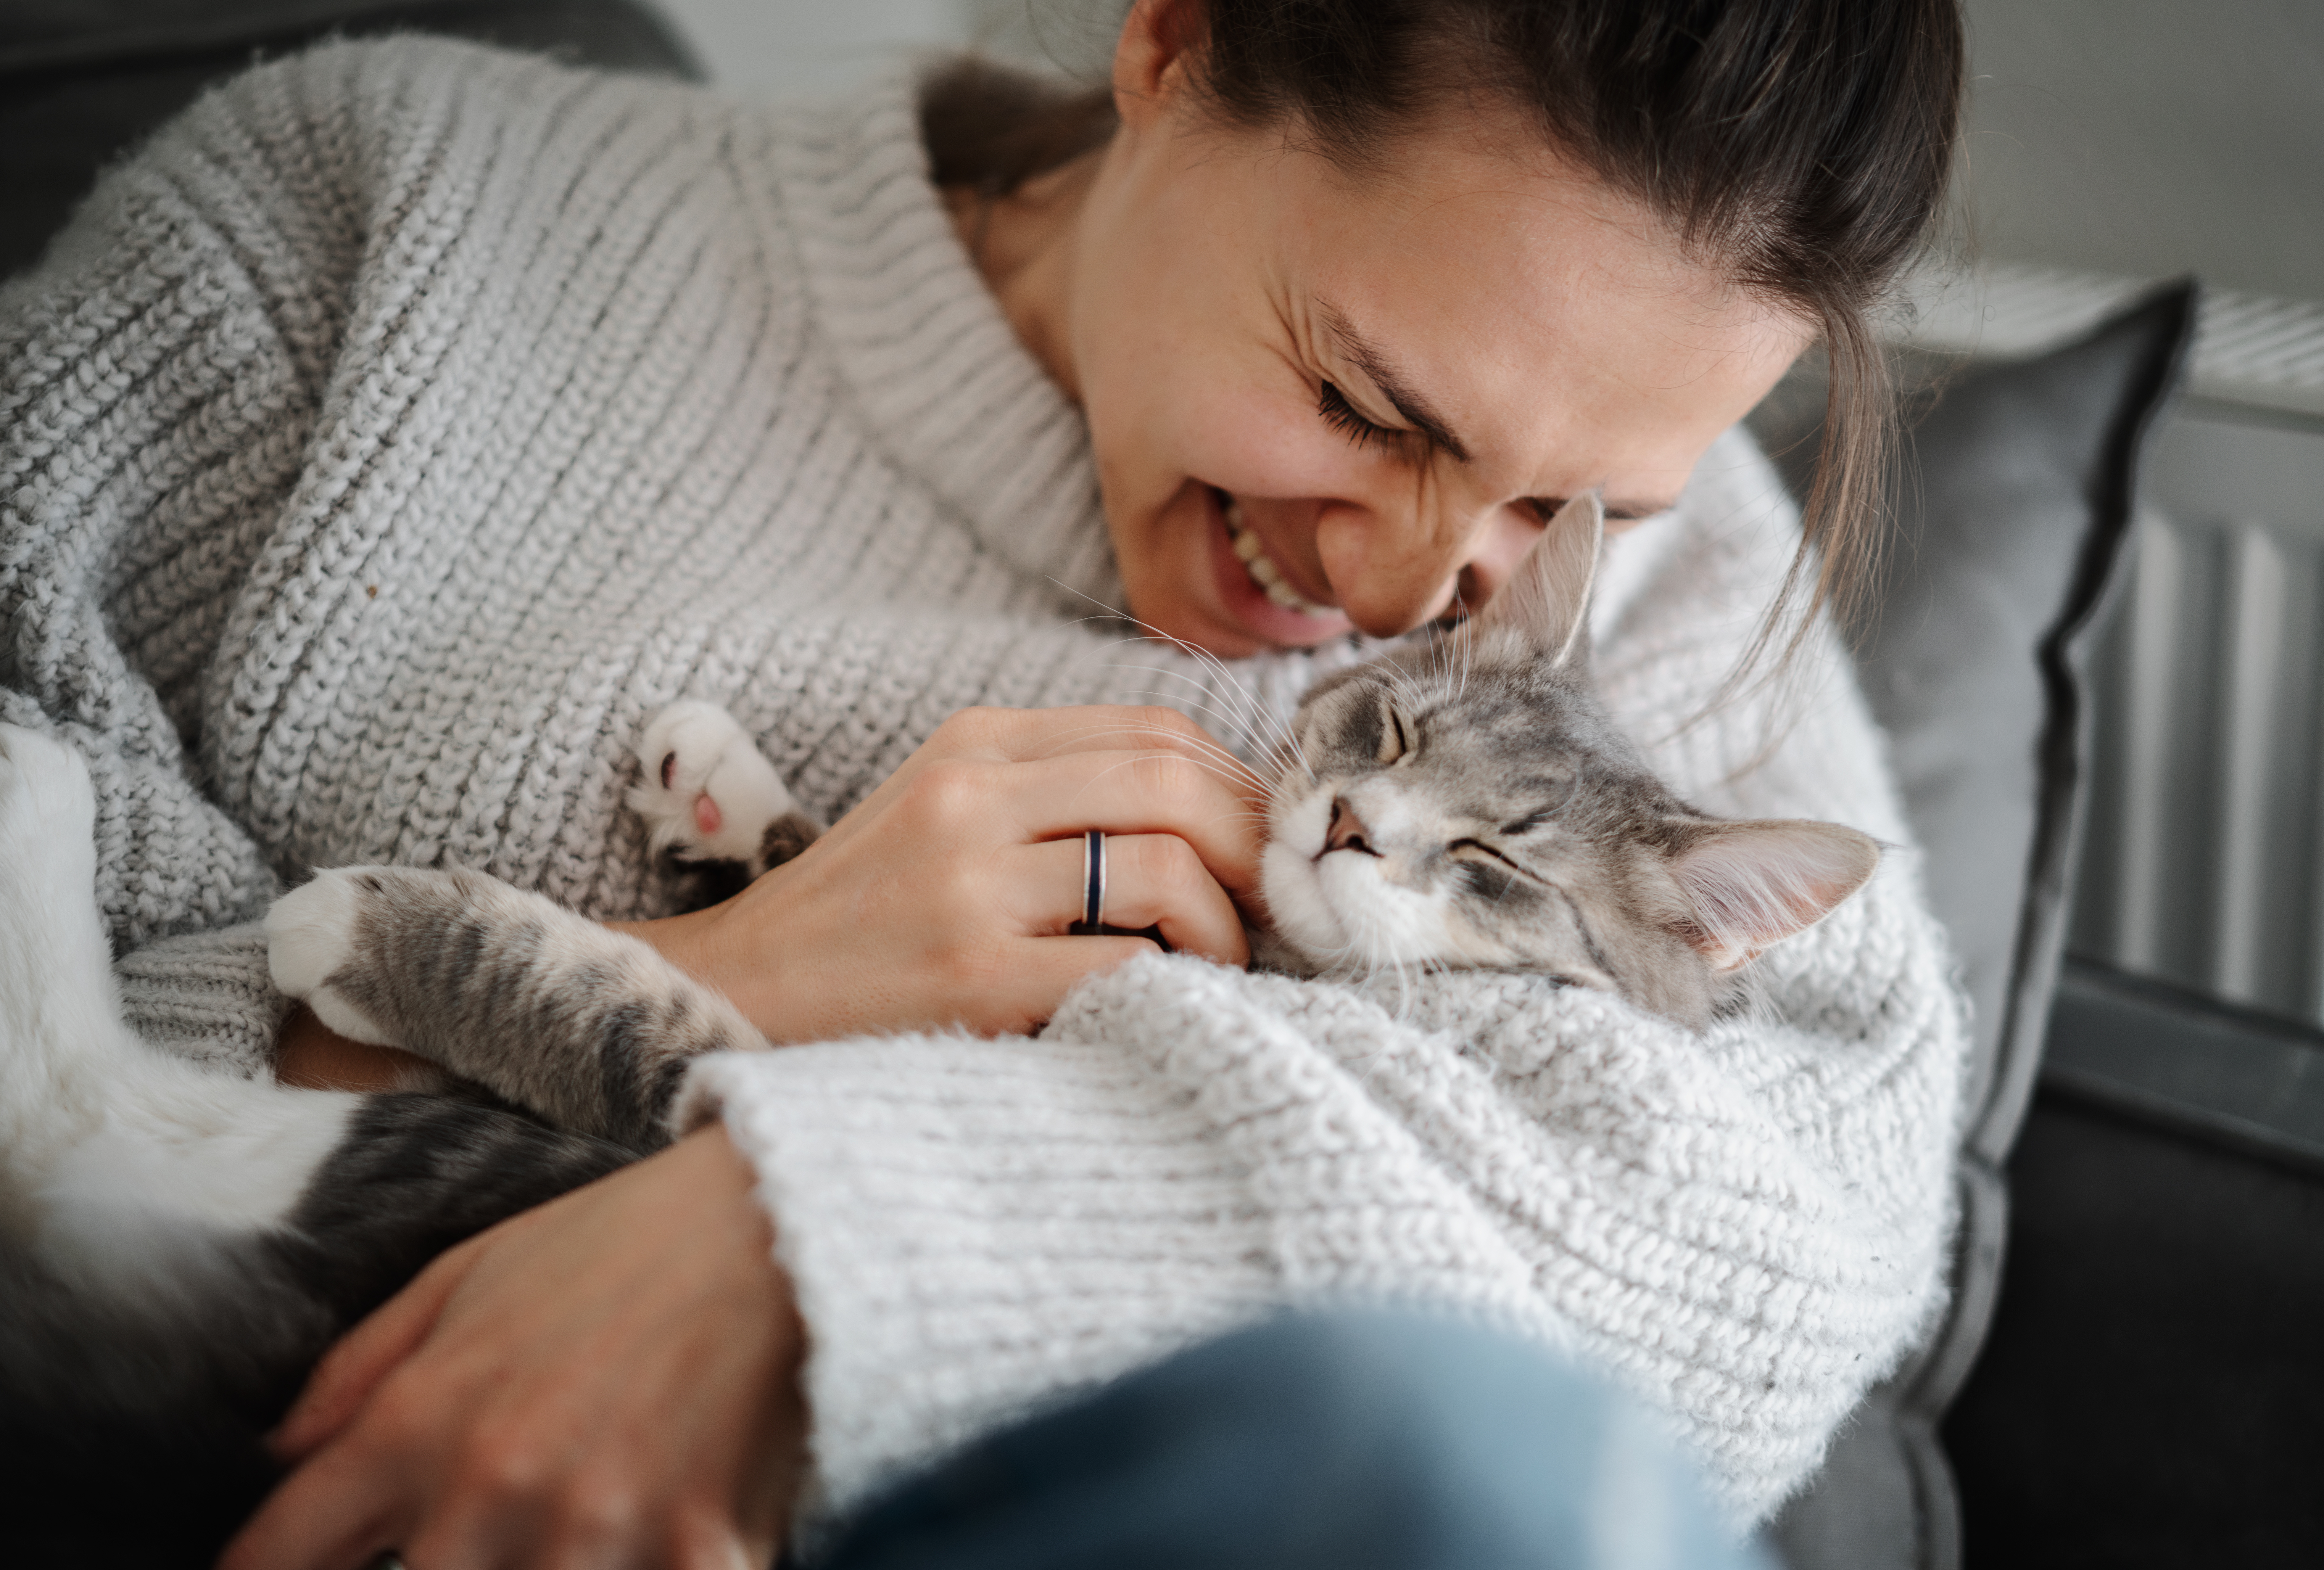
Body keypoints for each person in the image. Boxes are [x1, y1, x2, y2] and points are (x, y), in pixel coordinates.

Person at [0, 0, 1966, 1564]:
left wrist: (830, 1231)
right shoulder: (386, 206)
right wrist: (752, 976)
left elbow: (1790, 1213)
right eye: (1364, 404)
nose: (1397, 599)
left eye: (1566, 506)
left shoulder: (1679, 574)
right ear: (1172, 41)